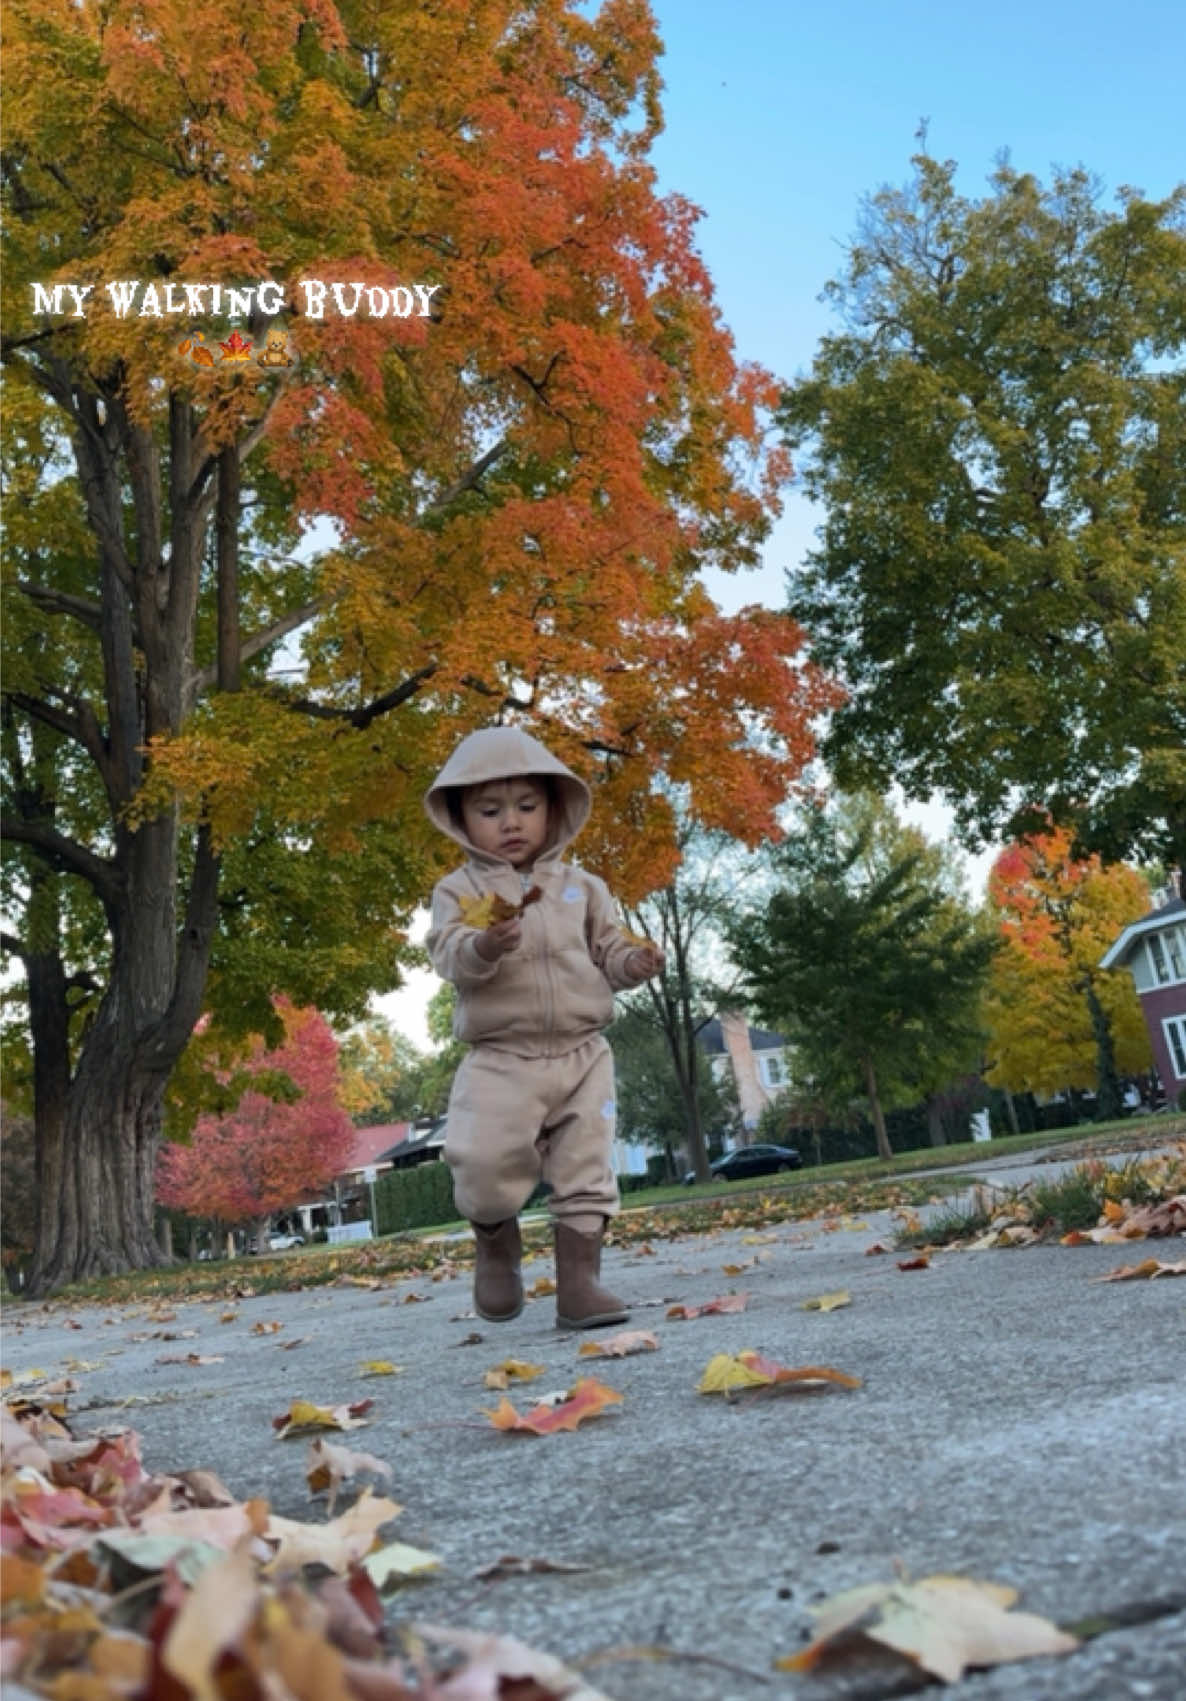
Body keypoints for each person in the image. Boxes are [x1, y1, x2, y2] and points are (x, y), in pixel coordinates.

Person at [424, 727, 665, 1329]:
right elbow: (448, 954)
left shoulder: (585, 889)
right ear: (459, 817)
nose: (511, 822)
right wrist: (482, 945)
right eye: (490, 810)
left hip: (583, 1053)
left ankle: (580, 1285)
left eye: (527, 807)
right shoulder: (459, 891)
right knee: (480, 1162)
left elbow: (607, 950)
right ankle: (496, 1243)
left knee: (586, 1167)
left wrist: (632, 963)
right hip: (501, 1057)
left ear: (554, 809)